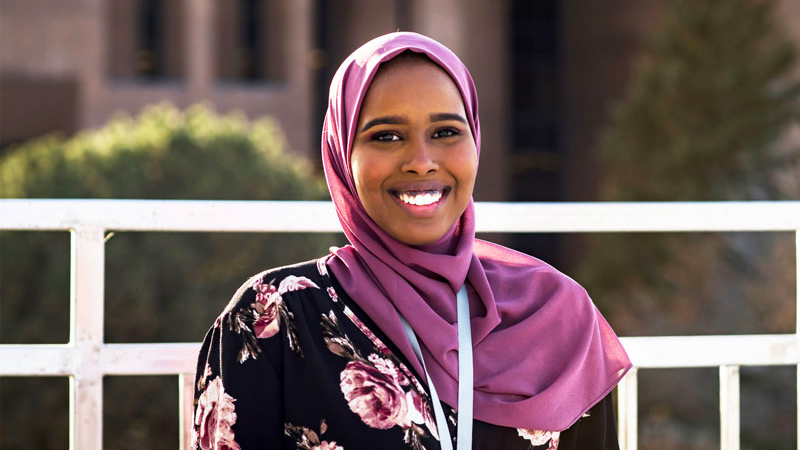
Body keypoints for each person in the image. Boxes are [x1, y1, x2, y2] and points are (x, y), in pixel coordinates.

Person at [192, 32, 631, 450]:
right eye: (386, 136)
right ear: (344, 153)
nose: (421, 162)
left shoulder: (557, 314)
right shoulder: (274, 319)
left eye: (445, 132)